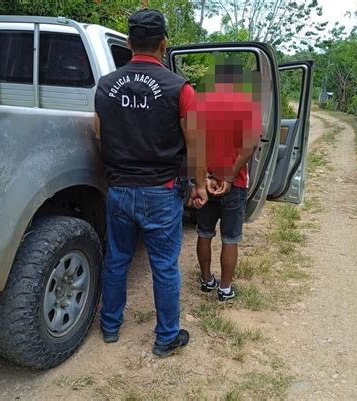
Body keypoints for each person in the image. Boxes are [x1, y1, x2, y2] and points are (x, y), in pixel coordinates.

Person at [94, 8, 207, 357]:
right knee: (163, 264)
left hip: (119, 190)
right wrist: (200, 186)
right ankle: (166, 337)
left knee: (116, 259)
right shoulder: (179, 88)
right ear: (163, 43)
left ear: (129, 43)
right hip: (161, 191)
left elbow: (99, 135)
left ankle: (110, 327)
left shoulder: (105, 85)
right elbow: (196, 143)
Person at [191, 56, 262, 301]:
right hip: (235, 183)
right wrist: (229, 176)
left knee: (204, 233)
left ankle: (206, 280)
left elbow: (195, 145)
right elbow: (249, 146)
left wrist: (207, 176)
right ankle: (225, 288)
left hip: (206, 182)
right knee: (230, 238)